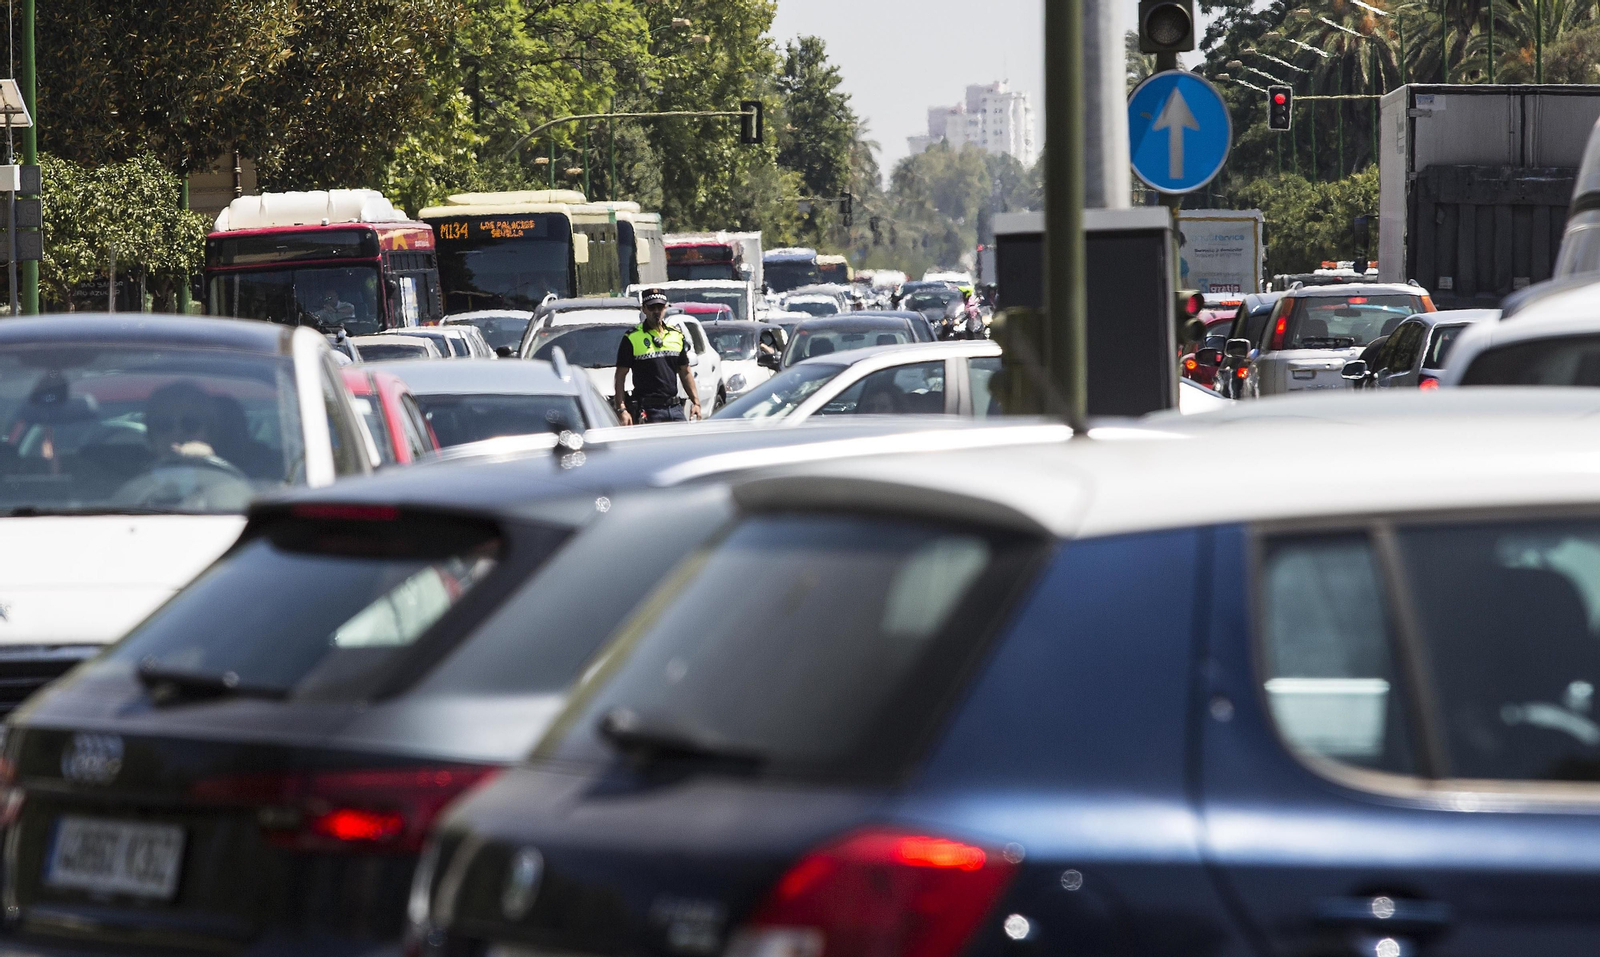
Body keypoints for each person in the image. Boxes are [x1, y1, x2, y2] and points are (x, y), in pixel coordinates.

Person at [614, 289, 701, 425]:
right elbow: (620, 376)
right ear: (644, 309)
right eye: (651, 307)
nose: (656, 311)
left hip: (675, 407)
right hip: (648, 409)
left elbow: (685, 371)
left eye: (660, 307)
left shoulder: (676, 335)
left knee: (684, 444)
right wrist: (622, 409)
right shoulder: (632, 337)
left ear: (665, 307)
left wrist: (696, 402)